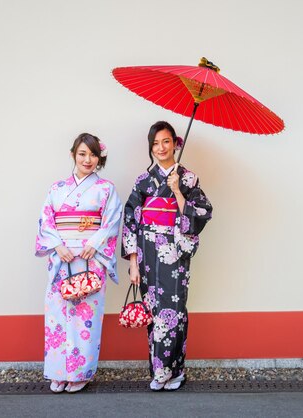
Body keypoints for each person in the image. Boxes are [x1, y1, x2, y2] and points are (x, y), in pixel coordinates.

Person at [122, 121, 213, 391]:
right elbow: (131, 220)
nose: (161, 148)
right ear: (151, 147)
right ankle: (159, 370)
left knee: (174, 311)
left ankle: (174, 372)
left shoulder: (188, 179)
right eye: (155, 143)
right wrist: (134, 263)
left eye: (165, 141)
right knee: (154, 311)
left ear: (175, 143)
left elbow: (203, 213)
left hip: (174, 252)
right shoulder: (143, 180)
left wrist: (176, 190)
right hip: (148, 252)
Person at [35, 133, 122, 393]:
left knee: (87, 316)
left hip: (90, 257)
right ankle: (58, 372)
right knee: (58, 316)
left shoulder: (106, 189)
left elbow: (112, 220)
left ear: (99, 158)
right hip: (62, 258)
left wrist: (94, 244)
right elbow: (45, 220)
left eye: (93, 154)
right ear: (73, 154)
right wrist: (58, 246)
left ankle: (80, 372)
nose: (88, 159)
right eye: (83, 153)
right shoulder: (56, 189)